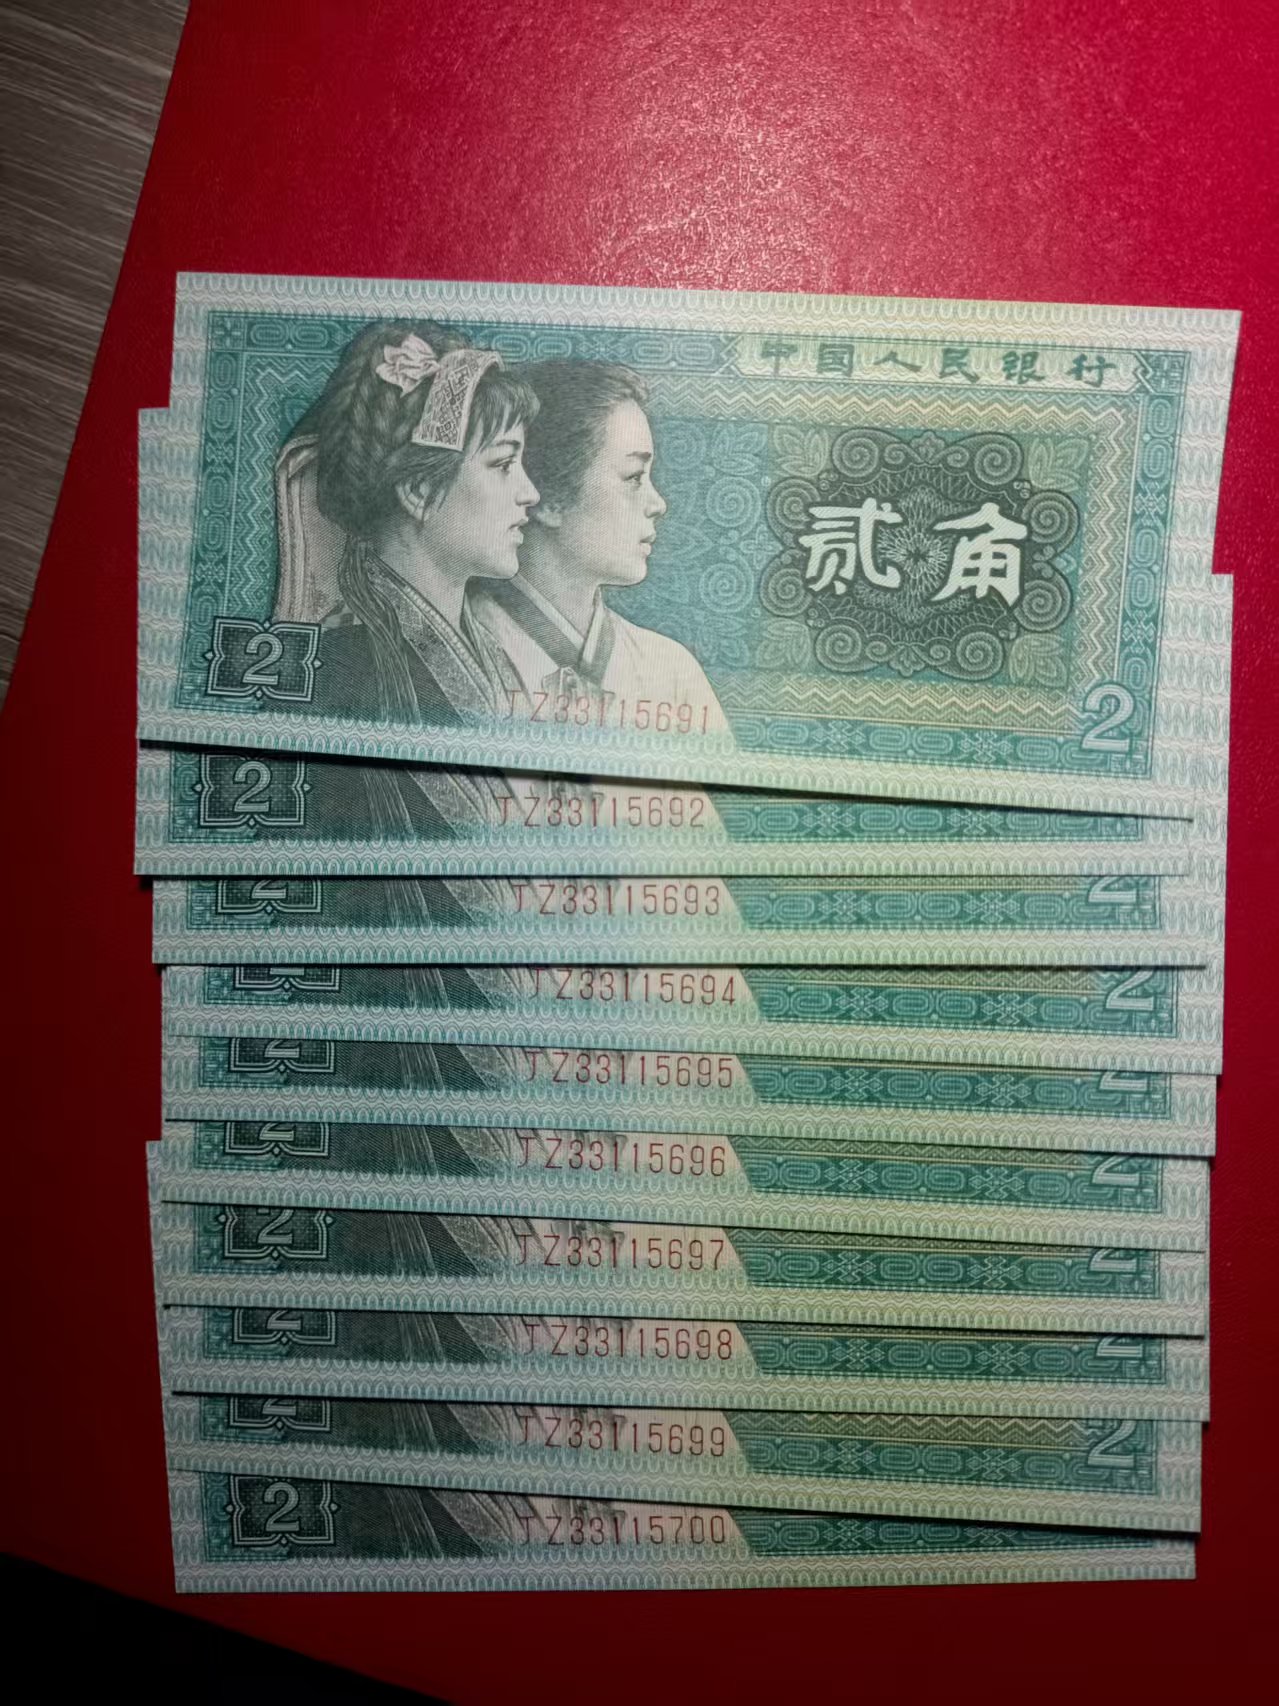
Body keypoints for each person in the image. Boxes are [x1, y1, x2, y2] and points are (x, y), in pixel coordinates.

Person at [288, 318, 541, 727]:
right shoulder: (339, 670)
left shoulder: (493, 652)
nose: (530, 493)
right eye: (503, 464)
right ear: (419, 491)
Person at [470, 359, 730, 735]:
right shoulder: (459, 652)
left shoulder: (672, 671)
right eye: (634, 477)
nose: (658, 504)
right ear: (548, 499)